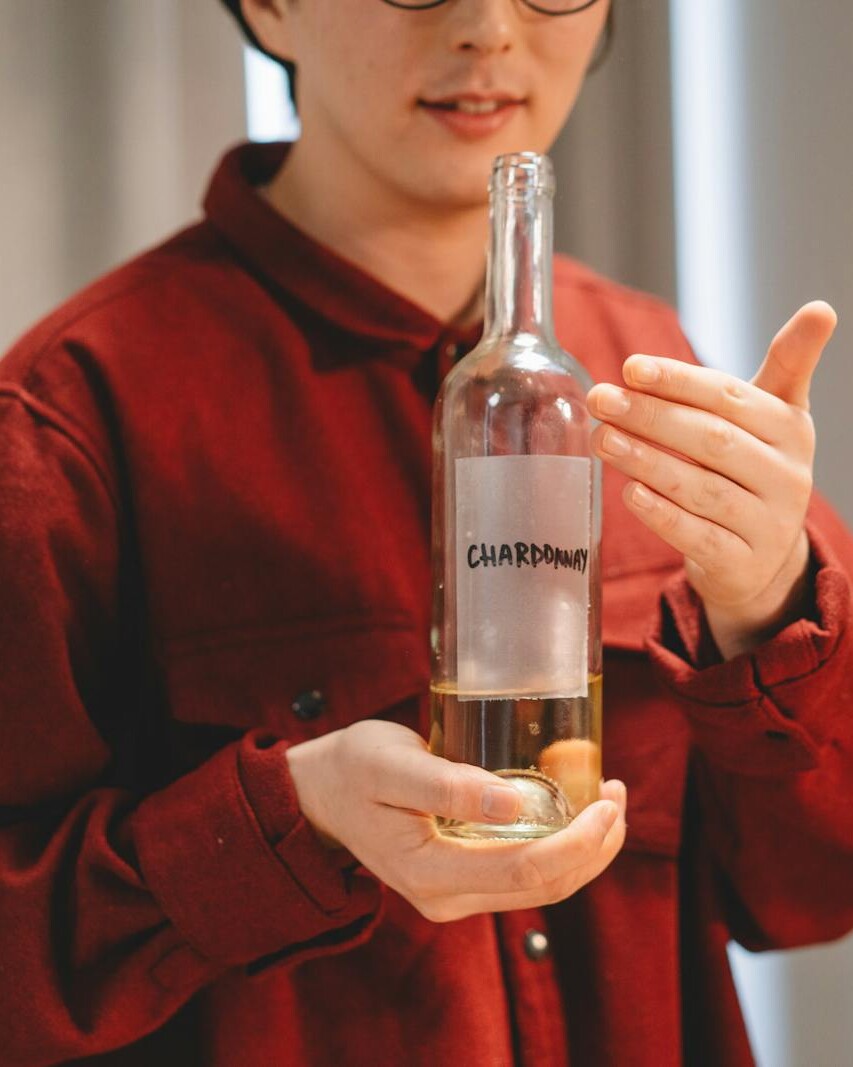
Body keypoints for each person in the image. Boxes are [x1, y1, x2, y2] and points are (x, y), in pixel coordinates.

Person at [0, 0, 850, 1063]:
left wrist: (768, 607)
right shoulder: (72, 417)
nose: (490, 29)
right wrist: (291, 820)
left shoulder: (649, 369)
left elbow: (808, 895)